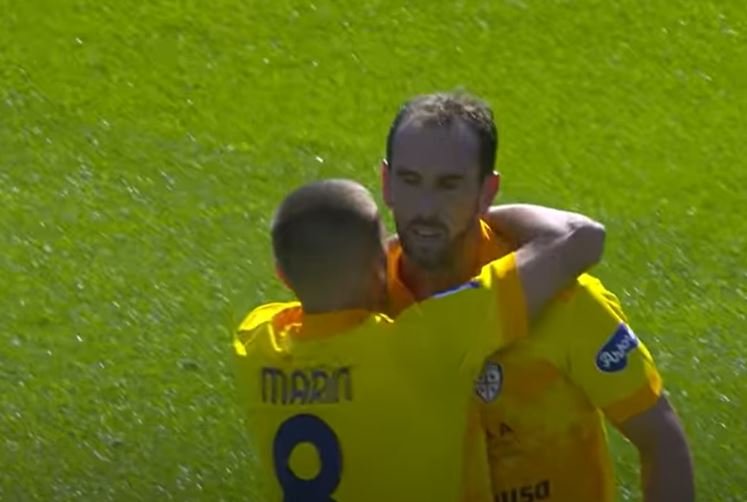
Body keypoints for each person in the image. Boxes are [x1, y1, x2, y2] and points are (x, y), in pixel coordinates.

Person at [381, 91, 694, 502]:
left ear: (487, 192)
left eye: (449, 185)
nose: (425, 208)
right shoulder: (364, 299)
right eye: (410, 180)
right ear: (386, 183)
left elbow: (662, 440)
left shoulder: (562, 299)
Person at [233, 178, 604, 501]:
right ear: (380, 264)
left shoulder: (256, 342)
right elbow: (578, 237)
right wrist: (463, 220)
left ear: (283, 276)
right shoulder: (426, 342)